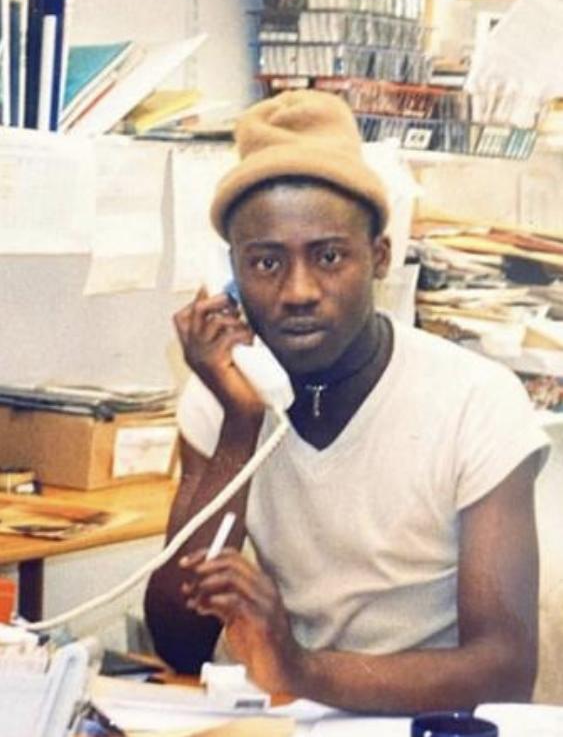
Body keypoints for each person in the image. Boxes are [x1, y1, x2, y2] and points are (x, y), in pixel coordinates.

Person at [144, 89, 549, 713]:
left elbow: (504, 671)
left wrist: (302, 670)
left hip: (425, 721)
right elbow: (179, 641)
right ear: (231, 275)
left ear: (379, 256)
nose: (299, 291)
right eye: (266, 262)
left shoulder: (477, 401)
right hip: (282, 717)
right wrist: (240, 425)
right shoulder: (224, 398)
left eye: (329, 256)